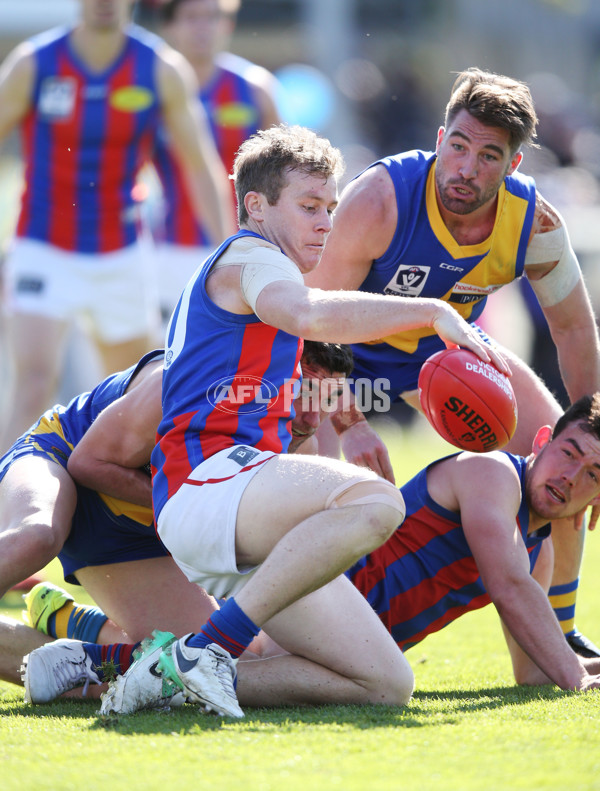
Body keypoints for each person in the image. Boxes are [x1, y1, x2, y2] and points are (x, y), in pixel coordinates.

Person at [43, 121, 502, 720]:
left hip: (235, 502)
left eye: (331, 207)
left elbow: (302, 356)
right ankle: (208, 649)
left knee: (383, 683)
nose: (326, 223)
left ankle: (125, 666)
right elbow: (306, 311)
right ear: (255, 206)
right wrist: (433, 310)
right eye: (310, 205)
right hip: (206, 483)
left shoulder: (265, 278)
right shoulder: (250, 257)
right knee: (379, 503)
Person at [18, 393, 600, 707]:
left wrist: (578, 671)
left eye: (594, 475)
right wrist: (575, 679)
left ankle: (81, 637)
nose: (572, 478)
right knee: (273, 663)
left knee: (341, 679)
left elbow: (533, 671)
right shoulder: (489, 472)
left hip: (333, 632)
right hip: (311, 580)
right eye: (570, 454)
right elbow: (510, 587)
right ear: (544, 440)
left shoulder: (537, 548)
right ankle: (105, 663)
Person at [305, 67, 600, 657]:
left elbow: (572, 328)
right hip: (329, 357)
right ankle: (288, 625)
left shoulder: (535, 224)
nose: (467, 168)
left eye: (488, 156)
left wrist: (592, 436)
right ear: (440, 140)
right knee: (311, 493)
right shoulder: (380, 198)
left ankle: (559, 633)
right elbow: (312, 328)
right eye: (458, 147)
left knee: (560, 459)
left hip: (433, 357)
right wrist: (353, 425)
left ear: (513, 166)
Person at [0, 0, 235, 450]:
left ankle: (119, 512)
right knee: (32, 383)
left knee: (132, 394)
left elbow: (201, 166)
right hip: (41, 245)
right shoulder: (33, 63)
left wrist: (229, 251)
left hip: (122, 252)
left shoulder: (161, 69)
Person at [152, 0, 281, 322]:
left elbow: (285, 174)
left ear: (228, 24)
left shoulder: (255, 89)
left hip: (243, 249)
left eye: (212, 17)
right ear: (169, 26)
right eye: (191, 18)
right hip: (167, 249)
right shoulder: (153, 90)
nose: (203, 28)